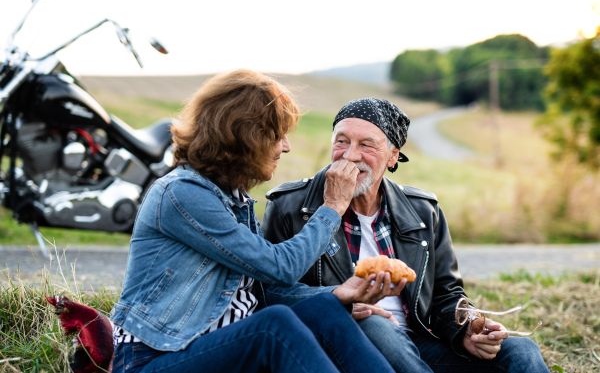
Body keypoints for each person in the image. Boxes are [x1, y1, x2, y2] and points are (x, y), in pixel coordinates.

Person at [109, 72, 399, 373]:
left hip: (211, 349)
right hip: (152, 360)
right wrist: (333, 207)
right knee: (272, 327)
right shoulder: (182, 194)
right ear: (247, 137)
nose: (286, 147)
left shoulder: (234, 199)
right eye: (278, 136)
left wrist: (337, 293)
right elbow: (280, 267)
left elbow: (260, 290)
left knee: (327, 310)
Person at [261, 97, 550, 373]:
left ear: (392, 156)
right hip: (345, 348)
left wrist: (466, 326)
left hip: (418, 346)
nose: (350, 155)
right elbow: (268, 293)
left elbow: (447, 295)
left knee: (521, 351)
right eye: (342, 141)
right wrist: (341, 303)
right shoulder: (289, 206)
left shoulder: (424, 211)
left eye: (367, 145)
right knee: (375, 324)